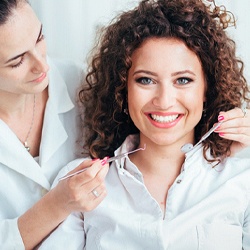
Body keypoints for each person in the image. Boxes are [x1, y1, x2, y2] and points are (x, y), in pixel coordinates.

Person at [39, 0, 250, 249]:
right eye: (146, 80)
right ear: (122, 89)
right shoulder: (79, 185)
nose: (164, 101)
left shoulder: (240, 180)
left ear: (207, 88)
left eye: (183, 80)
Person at [0, 0, 109, 249]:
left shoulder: (83, 84)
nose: (42, 64)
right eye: (17, 61)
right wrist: (57, 204)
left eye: (39, 38)